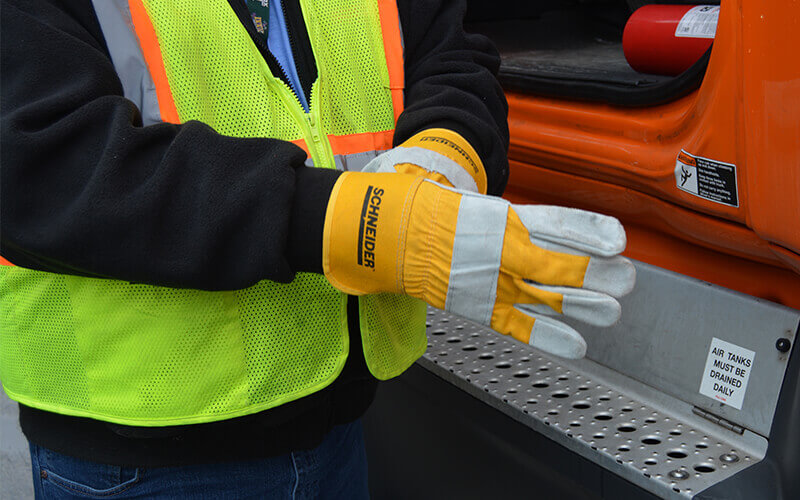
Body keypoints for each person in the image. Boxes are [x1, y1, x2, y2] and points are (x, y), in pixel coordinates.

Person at [0, 0, 634, 498]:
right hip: (145, 454)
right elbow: (38, 163)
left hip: (336, 420)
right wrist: (353, 224)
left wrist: (440, 164)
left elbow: (453, 58)